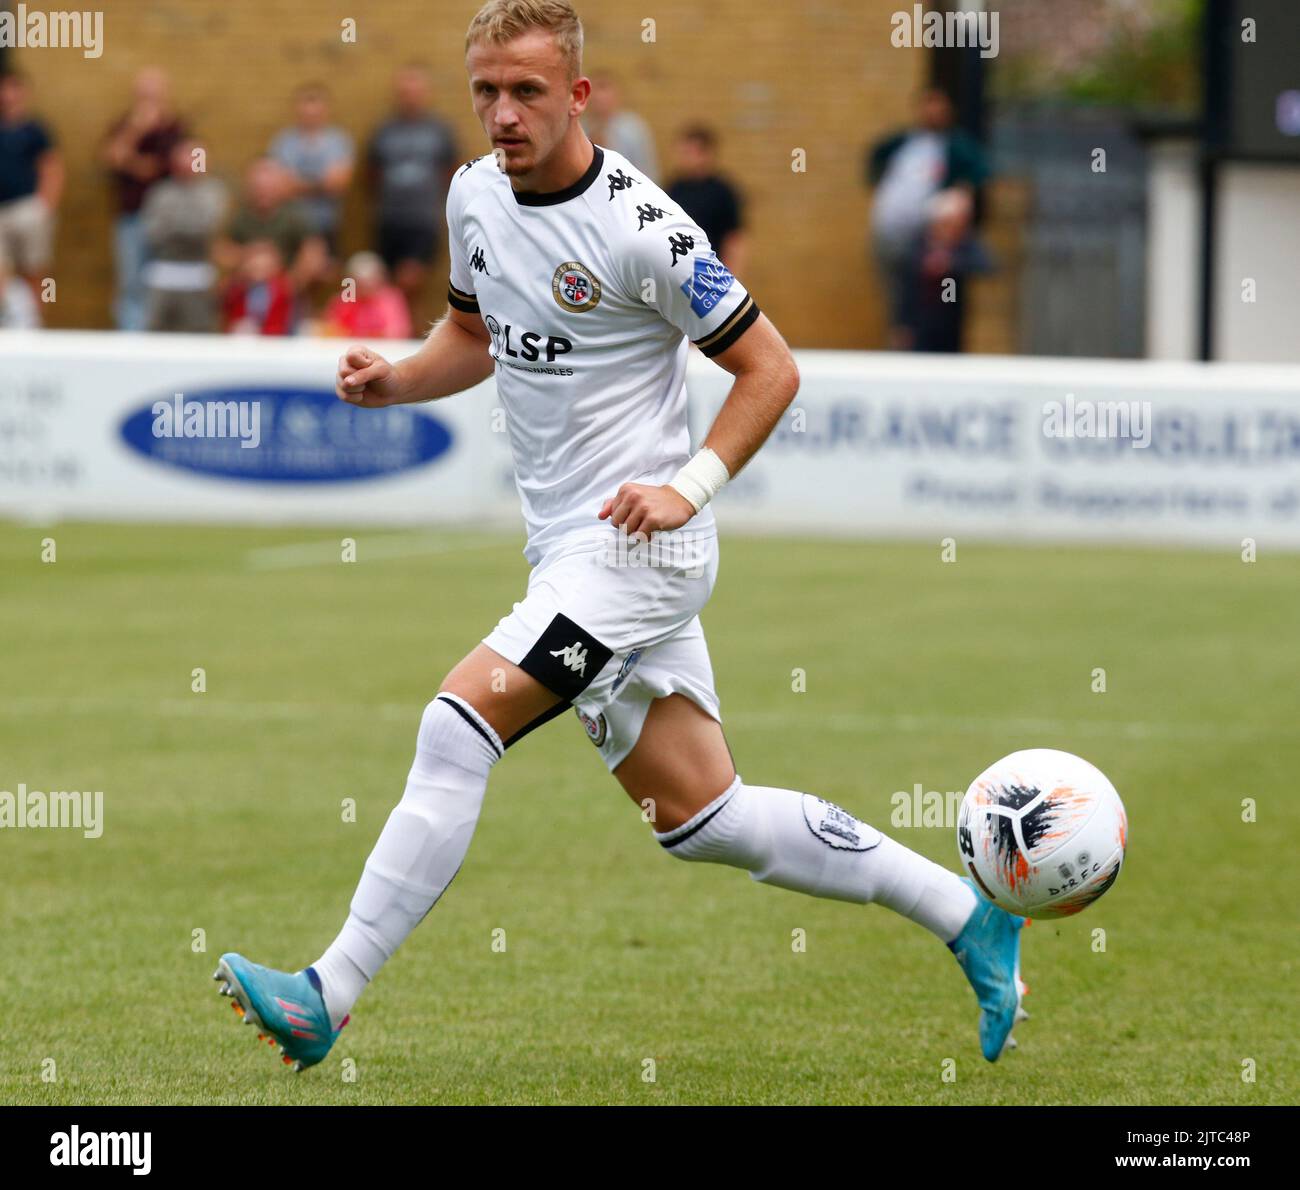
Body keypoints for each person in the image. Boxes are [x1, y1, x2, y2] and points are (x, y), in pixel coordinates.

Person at [214, 0, 1029, 1075]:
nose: (502, 114)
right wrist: (397, 382)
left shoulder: (647, 229)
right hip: (567, 552)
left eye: (527, 93)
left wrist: (689, 486)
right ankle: (970, 918)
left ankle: (329, 989)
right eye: (486, 93)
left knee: (460, 725)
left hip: (638, 554)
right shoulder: (472, 196)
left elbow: (770, 369)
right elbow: (473, 331)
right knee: (706, 817)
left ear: (579, 94)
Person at [866, 86, 989, 349]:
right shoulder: (905, 142)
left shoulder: (956, 146)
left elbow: (978, 173)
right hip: (890, 235)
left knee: (929, 300)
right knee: (899, 294)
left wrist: (954, 207)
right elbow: (875, 158)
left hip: (925, 238)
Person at [367, 64, 459, 322]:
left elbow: (451, 170)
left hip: (422, 221)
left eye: (415, 91)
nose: (410, 96)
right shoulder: (384, 131)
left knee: (409, 282)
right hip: (389, 220)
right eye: (405, 92)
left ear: (425, 93)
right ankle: (394, 335)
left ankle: (409, 344)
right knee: (388, 290)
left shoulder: (439, 131)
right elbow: (372, 172)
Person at [102, 67, 186, 331]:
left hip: (170, 223)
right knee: (131, 282)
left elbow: (168, 168)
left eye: (154, 94)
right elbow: (111, 158)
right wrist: (135, 131)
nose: (148, 100)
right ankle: (132, 337)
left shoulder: (176, 129)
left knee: (165, 281)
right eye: (143, 95)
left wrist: (131, 162)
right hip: (132, 216)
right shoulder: (124, 125)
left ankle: (163, 335)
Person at [140, 138, 227, 333]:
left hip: (198, 273)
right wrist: (187, 225)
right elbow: (153, 232)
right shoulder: (160, 193)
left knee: (198, 330)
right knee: (156, 330)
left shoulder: (213, 192)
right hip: (164, 270)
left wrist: (174, 224)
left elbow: (206, 226)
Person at [897, 188, 993, 354]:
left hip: (950, 317)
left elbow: (986, 264)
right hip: (921, 319)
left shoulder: (963, 245)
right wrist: (902, 322)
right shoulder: (920, 242)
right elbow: (906, 284)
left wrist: (951, 264)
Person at [214, 157, 327, 294]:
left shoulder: (295, 215)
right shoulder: (239, 215)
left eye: (269, 187)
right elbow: (221, 250)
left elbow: (314, 252)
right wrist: (247, 255)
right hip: (246, 287)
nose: (263, 192)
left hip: (285, 289)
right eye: (258, 187)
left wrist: (290, 283)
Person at [0, 71, 62, 318]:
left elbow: (52, 168)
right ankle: (7, 321)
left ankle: (35, 323)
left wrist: (44, 207)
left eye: (13, 89)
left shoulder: (35, 130)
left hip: (28, 209)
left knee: (34, 270)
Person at [270, 82, 354, 252]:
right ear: (297, 109)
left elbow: (339, 184)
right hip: (289, 227)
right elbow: (281, 187)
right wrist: (322, 183)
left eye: (316, 106)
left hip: (327, 225)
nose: (311, 113)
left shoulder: (339, 141)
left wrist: (298, 184)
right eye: (306, 106)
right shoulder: (283, 142)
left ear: (326, 109)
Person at [665, 124, 746, 277]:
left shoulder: (723, 191)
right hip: (680, 272)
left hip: (713, 272)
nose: (682, 157)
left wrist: (731, 276)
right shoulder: (674, 188)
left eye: (689, 152)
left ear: (705, 154)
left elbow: (735, 239)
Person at [319, 251, 412, 339]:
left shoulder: (391, 299)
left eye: (370, 281)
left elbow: (398, 332)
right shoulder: (344, 300)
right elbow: (331, 330)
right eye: (360, 283)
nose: (365, 287)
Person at [582, 72, 657, 179]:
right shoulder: (579, 129)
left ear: (617, 94)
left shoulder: (634, 129)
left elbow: (646, 169)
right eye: (594, 90)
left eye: (604, 88)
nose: (599, 96)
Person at [221, 239, 295, 336]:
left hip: (273, 341)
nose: (259, 267)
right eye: (255, 263)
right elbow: (229, 317)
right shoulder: (238, 289)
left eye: (264, 264)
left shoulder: (283, 289)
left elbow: (282, 322)